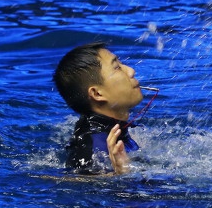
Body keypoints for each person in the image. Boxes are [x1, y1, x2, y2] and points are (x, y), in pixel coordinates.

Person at [53, 42, 144, 175]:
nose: (131, 71)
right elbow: (80, 182)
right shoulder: (93, 151)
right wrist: (121, 175)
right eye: (117, 67)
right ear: (97, 94)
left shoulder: (110, 127)